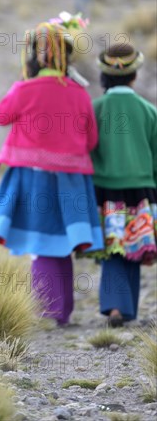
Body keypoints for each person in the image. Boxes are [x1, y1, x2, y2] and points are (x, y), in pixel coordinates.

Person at [0, 16, 103, 326]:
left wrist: (21, 84)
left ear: (35, 55)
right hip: (71, 181)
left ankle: (46, 311)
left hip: (33, 178)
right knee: (61, 245)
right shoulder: (80, 93)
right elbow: (92, 138)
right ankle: (62, 312)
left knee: (40, 246)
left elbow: (1, 116)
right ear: (67, 56)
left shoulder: (26, 89)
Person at [91, 43, 157, 327]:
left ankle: (117, 306)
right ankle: (125, 308)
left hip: (104, 189)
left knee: (113, 247)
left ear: (104, 76)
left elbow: (87, 150)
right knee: (135, 245)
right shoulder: (149, 110)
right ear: (134, 75)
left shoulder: (95, 108)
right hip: (142, 190)